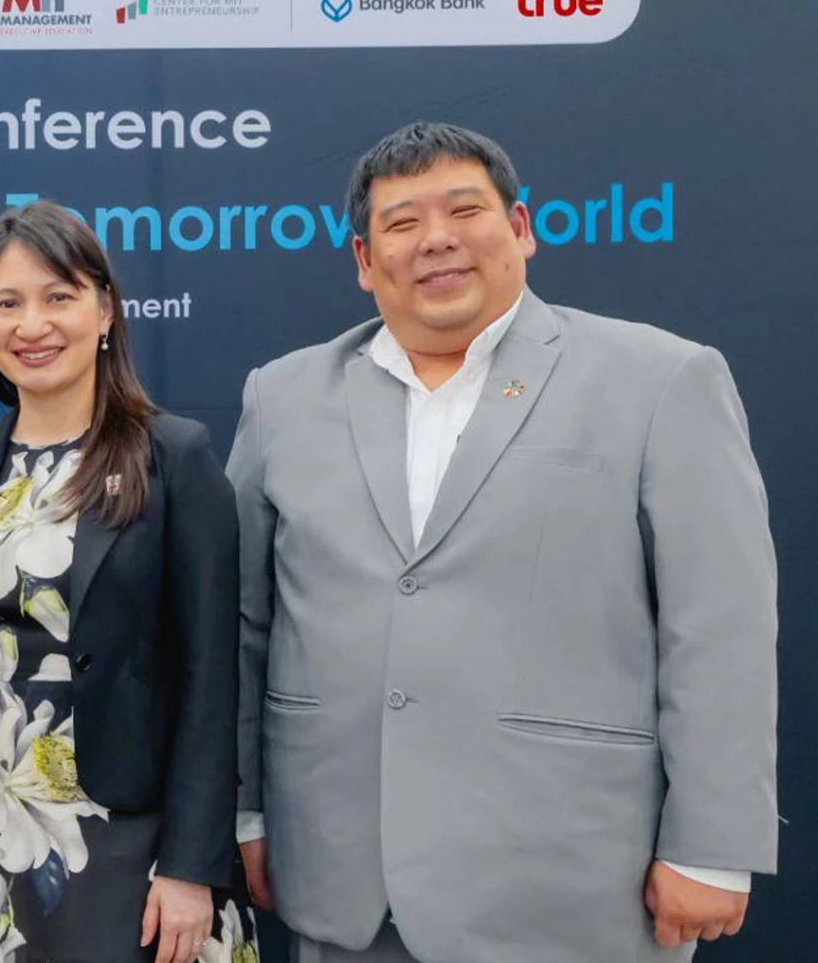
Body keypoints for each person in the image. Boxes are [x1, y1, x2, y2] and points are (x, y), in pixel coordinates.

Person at [228, 121, 779, 962]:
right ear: (365, 261)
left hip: (572, 890)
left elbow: (719, 627)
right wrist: (246, 811)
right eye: (403, 223)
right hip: (346, 883)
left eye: (464, 210)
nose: (437, 239)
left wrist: (712, 845)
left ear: (520, 228)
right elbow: (243, 625)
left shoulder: (661, 380)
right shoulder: (283, 397)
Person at [0, 200, 257, 963]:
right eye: (7, 304)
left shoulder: (174, 459)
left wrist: (192, 864)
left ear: (105, 310)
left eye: (59, 296)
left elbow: (213, 680)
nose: (33, 325)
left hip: (142, 854)